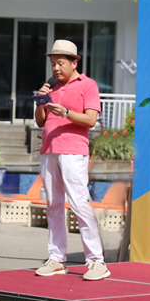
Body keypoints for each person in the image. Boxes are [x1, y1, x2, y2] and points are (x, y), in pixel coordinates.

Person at [34, 40, 109, 281]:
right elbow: (40, 121)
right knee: (53, 204)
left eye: (60, 63)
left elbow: (91, 120)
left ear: (74, 62)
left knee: (79, 203)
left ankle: (97, 261)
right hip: (49, 150)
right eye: (53, 64)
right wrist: (40, 101)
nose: (56, 68)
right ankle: (57, 258)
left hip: (73, 151)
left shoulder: (88, 85)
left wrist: (65, 112)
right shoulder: (52, 88)